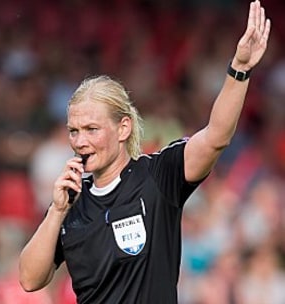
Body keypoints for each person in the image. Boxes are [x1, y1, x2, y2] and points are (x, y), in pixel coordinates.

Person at [18, 1, 271, 303]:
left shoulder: (157, 176)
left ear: (123, 128)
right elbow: (30, 279)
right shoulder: (71, 202)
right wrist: (57, 211)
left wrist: (239, 69)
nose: (80, 141)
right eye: (74, 131)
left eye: (91, 129)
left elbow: (216, 137)